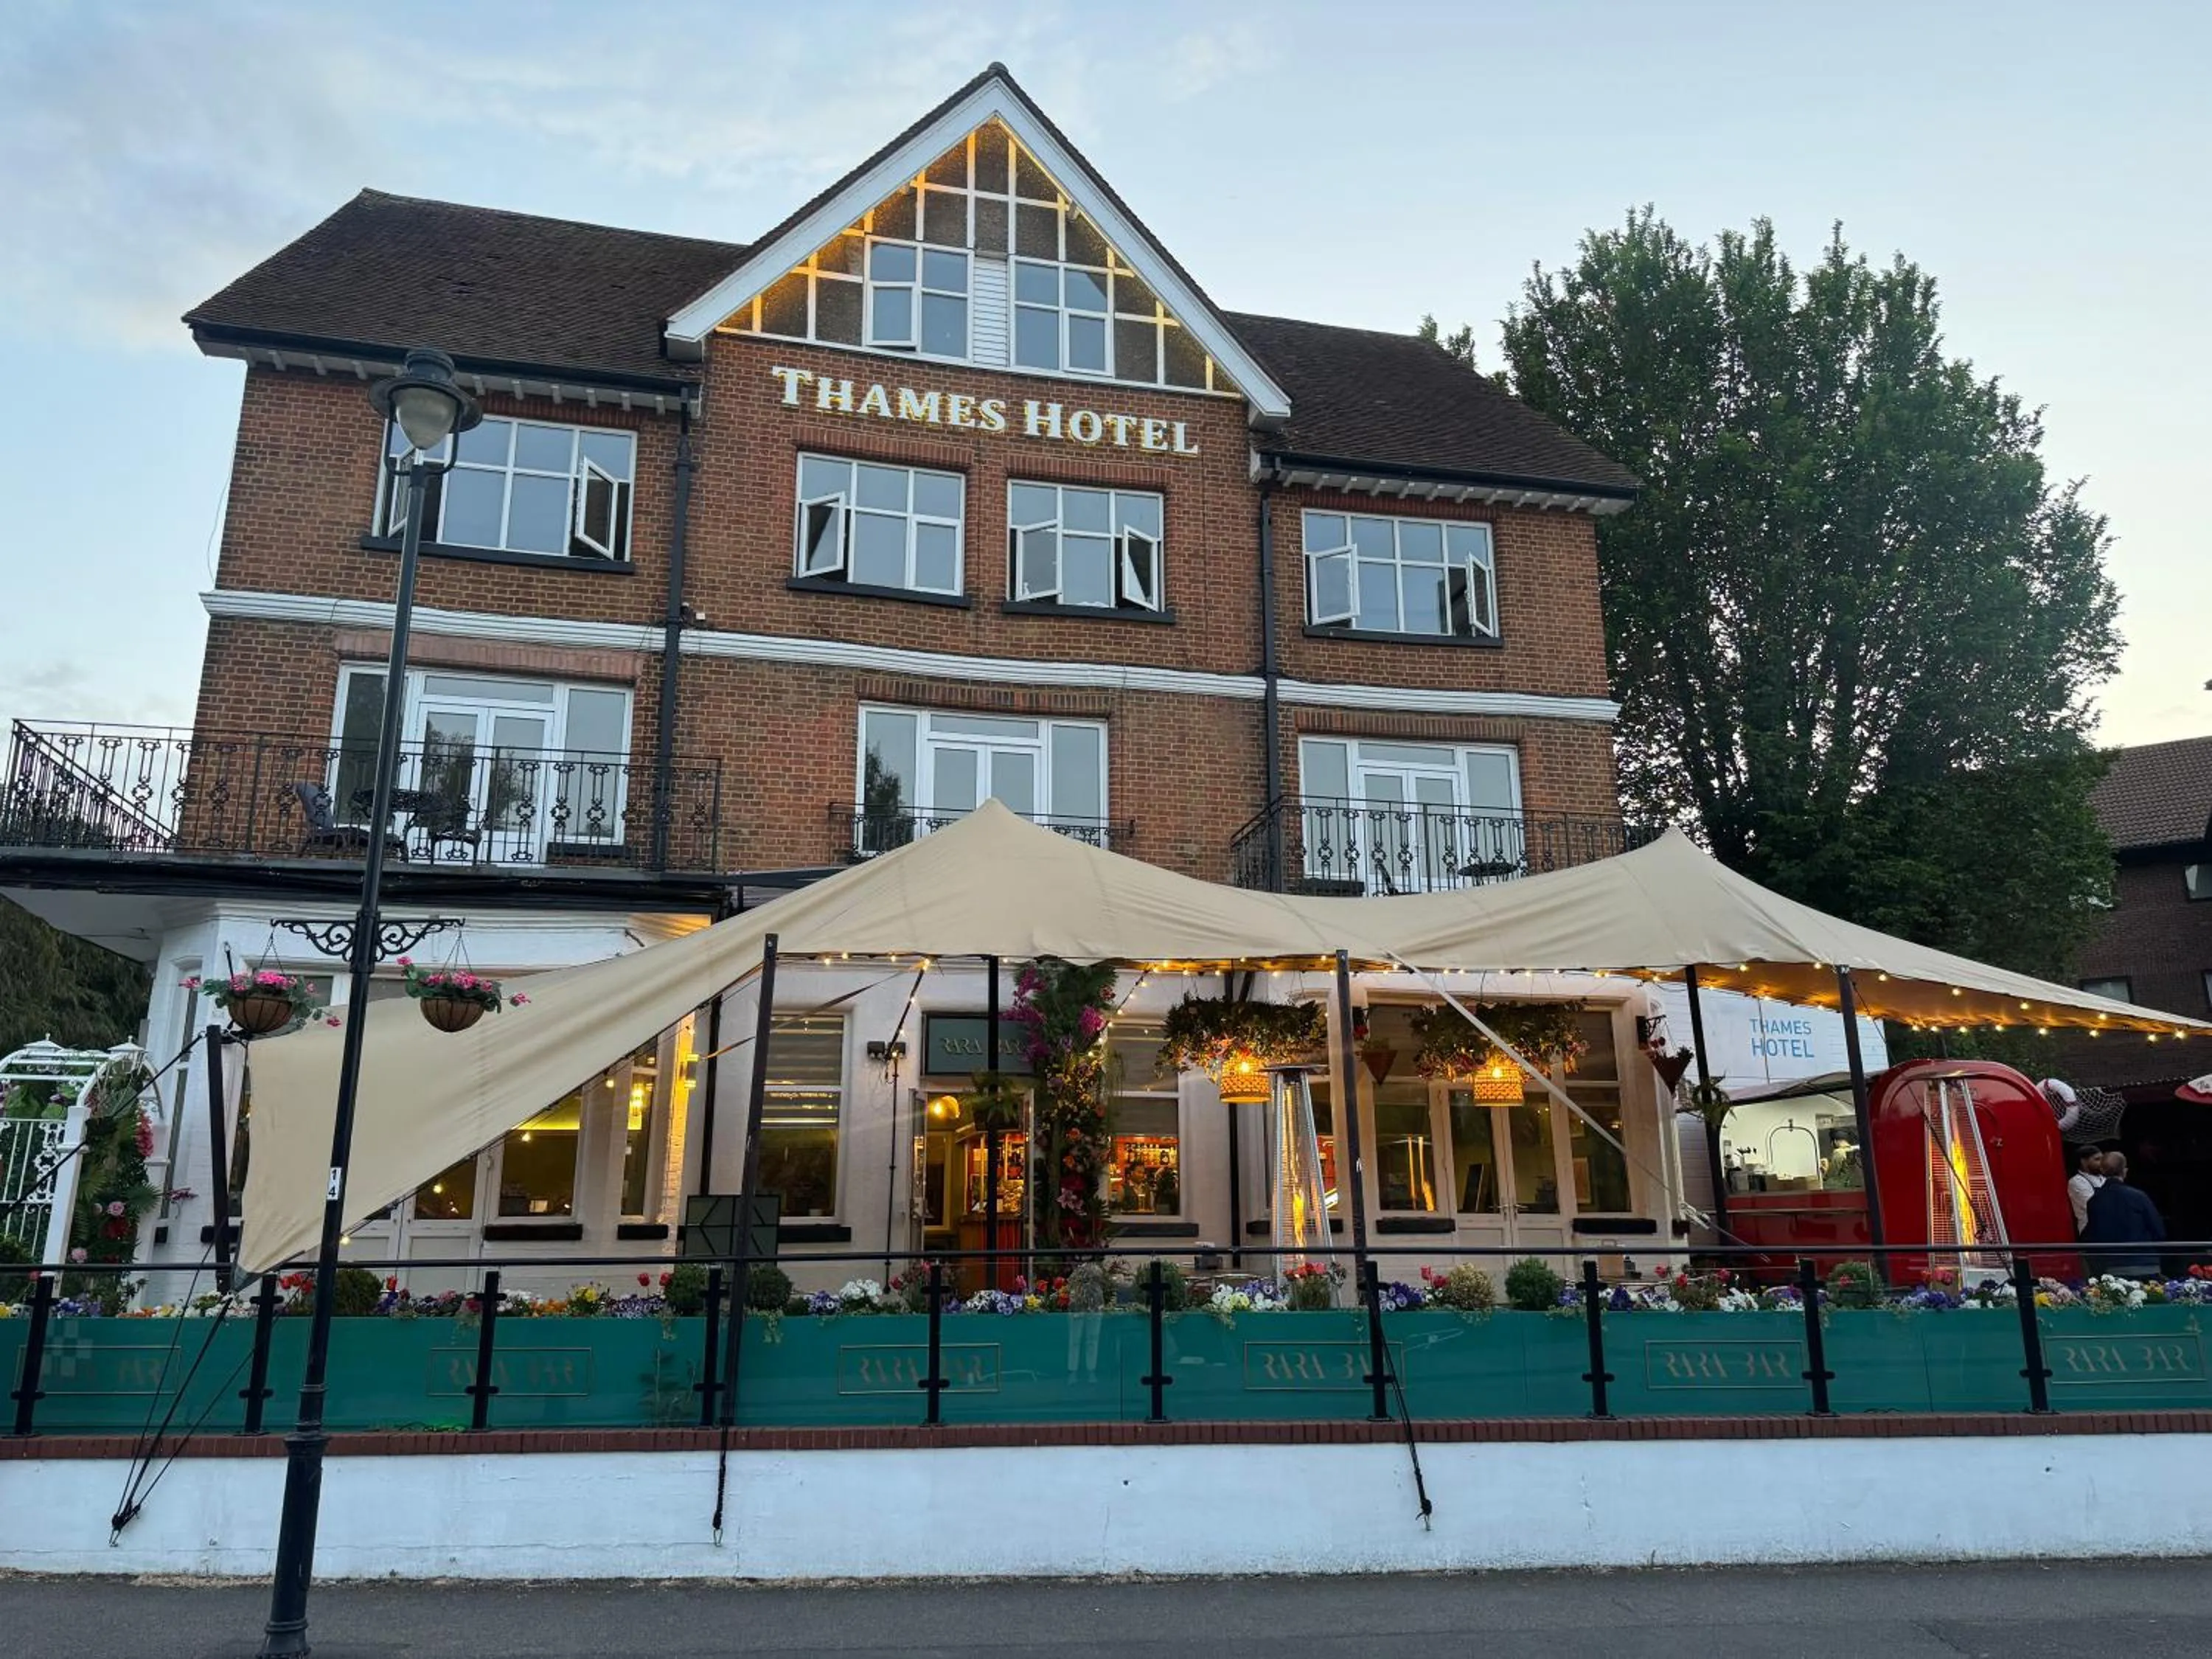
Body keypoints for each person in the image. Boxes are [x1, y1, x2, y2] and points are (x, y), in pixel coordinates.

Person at [2080, 1151, 2166, 1278]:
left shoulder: (2094, 1201)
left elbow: (2093, 1235)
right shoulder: (2138, 1196)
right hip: (2145, 1265)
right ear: (2124, 1171)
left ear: (2102, 1170)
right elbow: (2159, 1232)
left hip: (2111, 1269)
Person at [2067, 1143, 2106, 1236]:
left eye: (2102, 1159)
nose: (2102, 1163)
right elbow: (2093, 1205)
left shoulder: (2105, 1178)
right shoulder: (2077, 1181)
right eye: (2097, 1159)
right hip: (2091, 1232)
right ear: (2084, 1162)